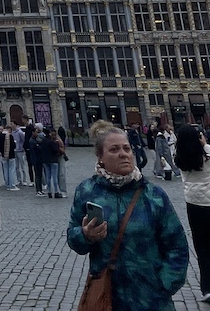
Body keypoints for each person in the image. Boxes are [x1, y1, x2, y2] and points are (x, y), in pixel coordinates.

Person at [67, 119, 188, 311]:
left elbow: (177, 245)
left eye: (126, 148)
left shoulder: (153, 195)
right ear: (100, 157)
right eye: (114, 150)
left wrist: (164, 285)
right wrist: (85, 235)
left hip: (150, 300)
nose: (123, 154)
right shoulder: (87, 191)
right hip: (108, 297)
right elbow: (73, 238)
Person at [174, 124, 210, 303]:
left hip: (194, 204)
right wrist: (204, 144)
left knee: (202, 247)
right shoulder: (208, 152)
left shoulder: (180, 158)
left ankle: (207, 288)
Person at [0, 124, 18, 190]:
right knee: (11, 170)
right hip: (11, 155)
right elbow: (13, 146)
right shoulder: (10, 136)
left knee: (5, 170)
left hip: (3, 154)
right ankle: (12, 184)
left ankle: (7, 184)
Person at [42, 128, 63, 198]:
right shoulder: (51, 141)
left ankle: (49, 191)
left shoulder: (43, 141)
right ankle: (56, 192)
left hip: (45, 160)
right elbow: (55, 150)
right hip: (53, 160)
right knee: (54, 176)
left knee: (48, 176)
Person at [12, 123, 29, 187]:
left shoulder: (20, 132)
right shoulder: (12, 132)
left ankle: (24, 180)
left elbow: (23, 140)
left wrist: (22, 147)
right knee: (16, 167)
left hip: (20, 150)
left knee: (22, 166)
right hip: (15, 150)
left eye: (12, 124)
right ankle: (19, 180)